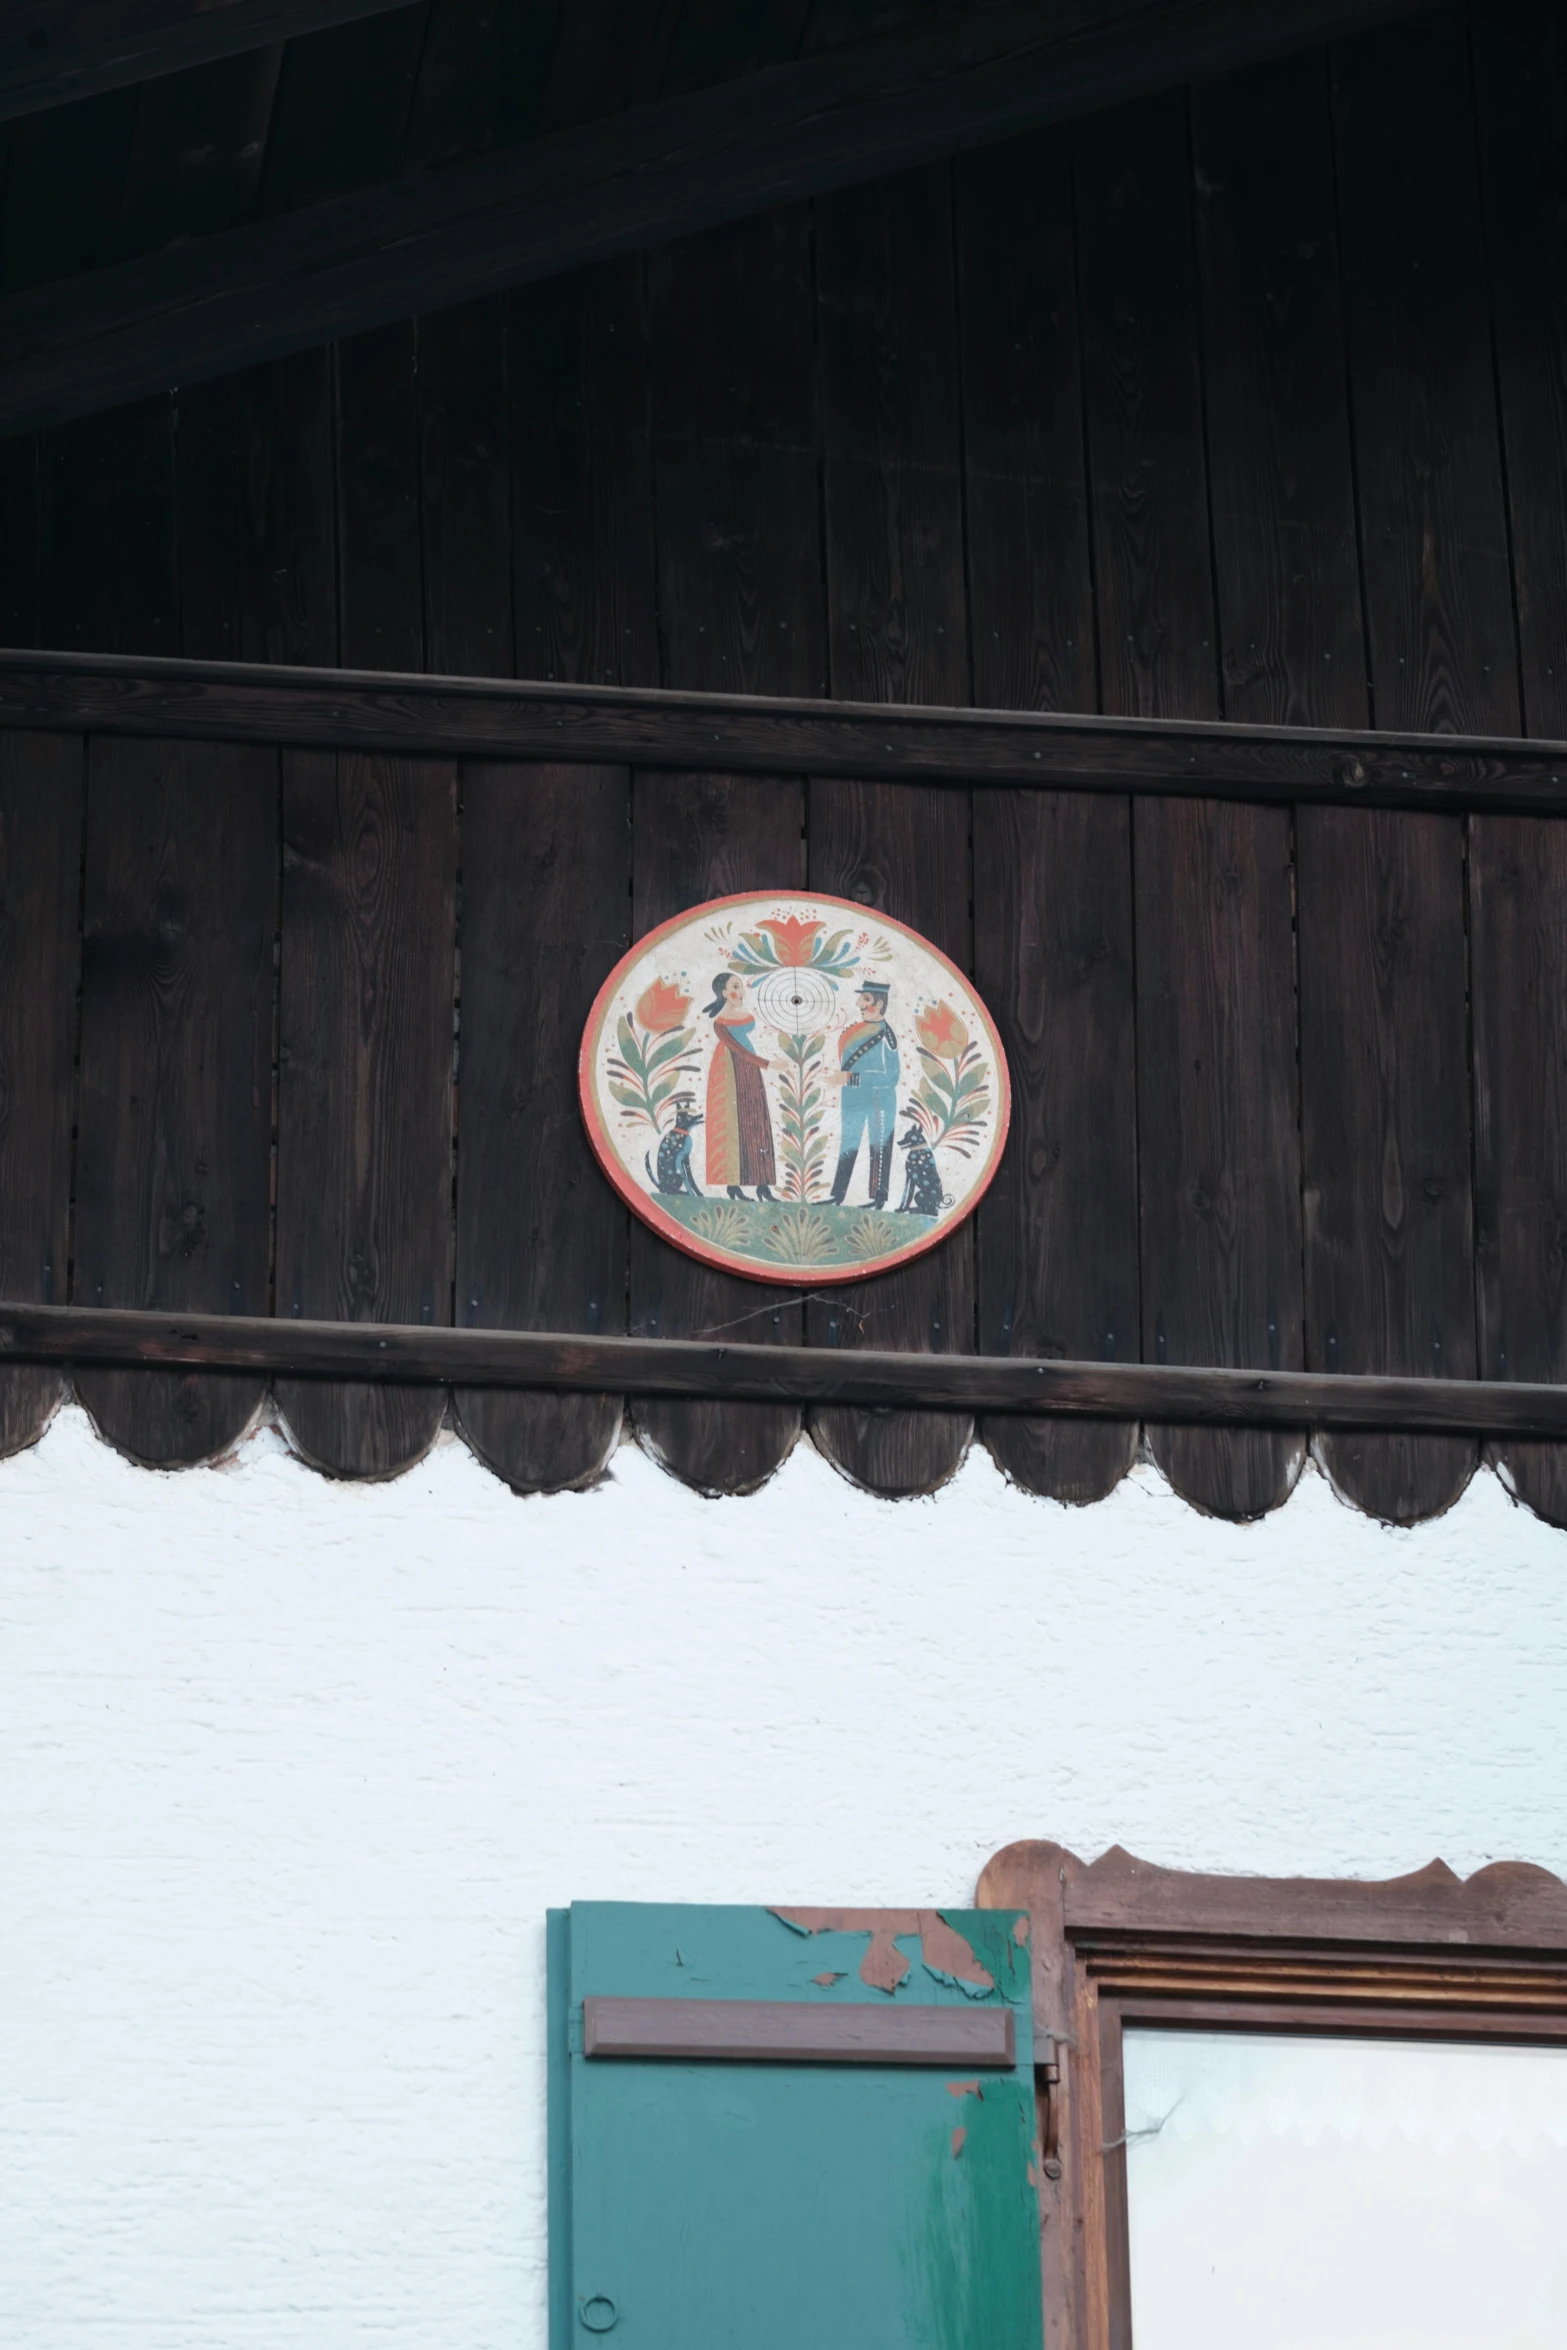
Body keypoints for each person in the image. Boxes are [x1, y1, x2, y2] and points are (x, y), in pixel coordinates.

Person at [825, 981, 900, 1209]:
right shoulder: (856, 1030)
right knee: (848, 1144)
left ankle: (878, 1199)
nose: (859, 1004)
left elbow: (891, 1076)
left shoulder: (886, 1035)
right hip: (853, 1097)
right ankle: (838, 1195)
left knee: (879, 1146)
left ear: (878, 1004)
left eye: (865, 999)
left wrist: (852, 1078)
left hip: (880, 1099)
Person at [702, 973, 776, 1201]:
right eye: (735, 986)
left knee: (757, 1122)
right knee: (734, 1125)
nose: (741, 991)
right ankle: (734, 1186)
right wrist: (767, 1063)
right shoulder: (720, 1023)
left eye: (741, 986)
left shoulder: (743, 1015)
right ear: (724, 993)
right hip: (730, 1070)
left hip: (749, 1070)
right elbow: (738, 1049)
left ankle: (763, 1186)